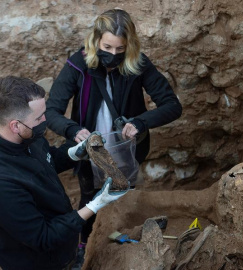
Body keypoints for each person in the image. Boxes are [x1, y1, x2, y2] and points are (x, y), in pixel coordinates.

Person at [45, 8, 182, 266]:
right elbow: (52, 110)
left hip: (127, 148)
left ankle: (117, 244)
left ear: (129, 46)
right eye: (108, 47)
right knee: (90, 197)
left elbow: (172, 106)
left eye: (121, 49)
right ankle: (86, 248)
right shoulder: (78, 65)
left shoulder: (138, 63)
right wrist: (73, 130)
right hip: (89, 149)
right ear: (96, 40)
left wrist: (141, 122)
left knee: (122, 196)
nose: (113, 54)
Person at [0, 76, 129, 270]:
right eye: (39, 117)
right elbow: (43, 237)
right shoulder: (4, 184)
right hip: (38, 262)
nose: (45, 120)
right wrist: (96, 203)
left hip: (64, 245)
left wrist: (73, 154)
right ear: (15, 126)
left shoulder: (28, 137)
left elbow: (46, 159)